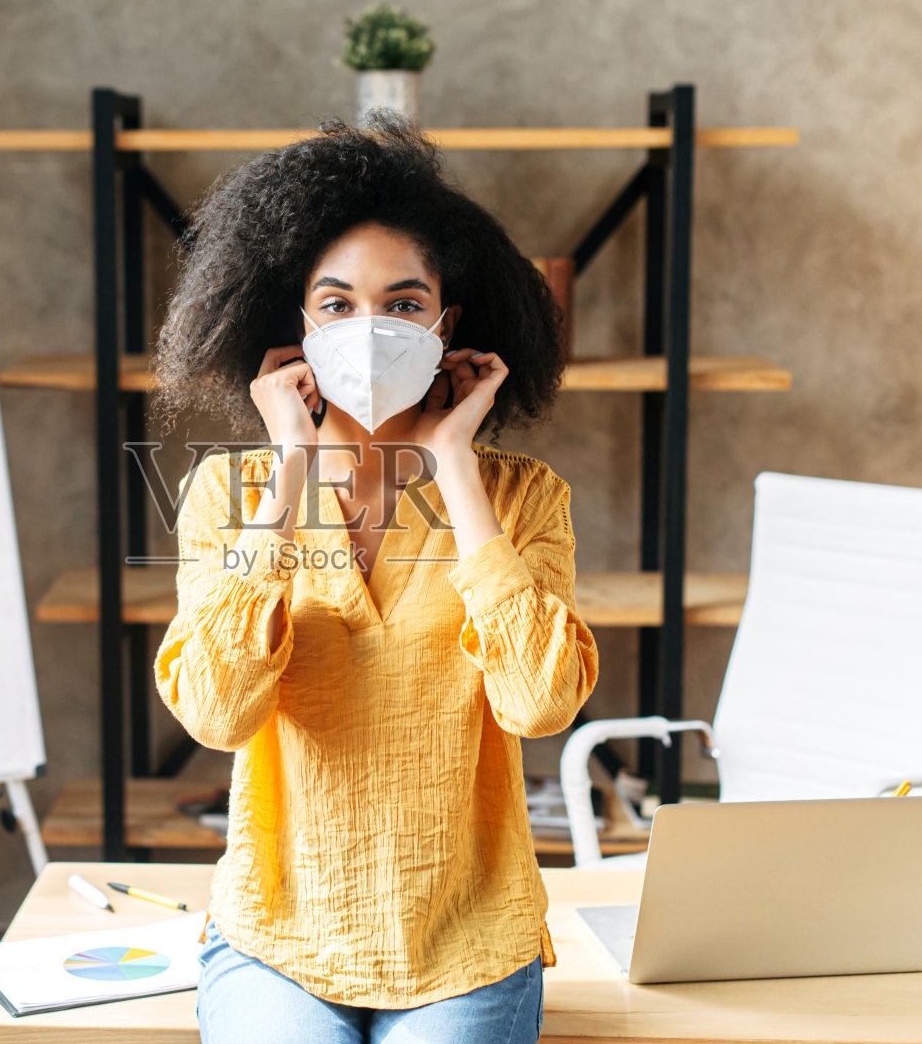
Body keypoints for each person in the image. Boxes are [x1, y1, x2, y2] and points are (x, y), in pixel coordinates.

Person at [149, 112, 601, 1044]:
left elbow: (543, 702)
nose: (368, 329)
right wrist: (288, 471)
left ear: (447, 324)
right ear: (294, 325)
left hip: (467, 940)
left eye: (401, 304)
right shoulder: (226, 492)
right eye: (336, 303)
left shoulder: (524, 497)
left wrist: (456, 465)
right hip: (278, 935)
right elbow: (216, 710)